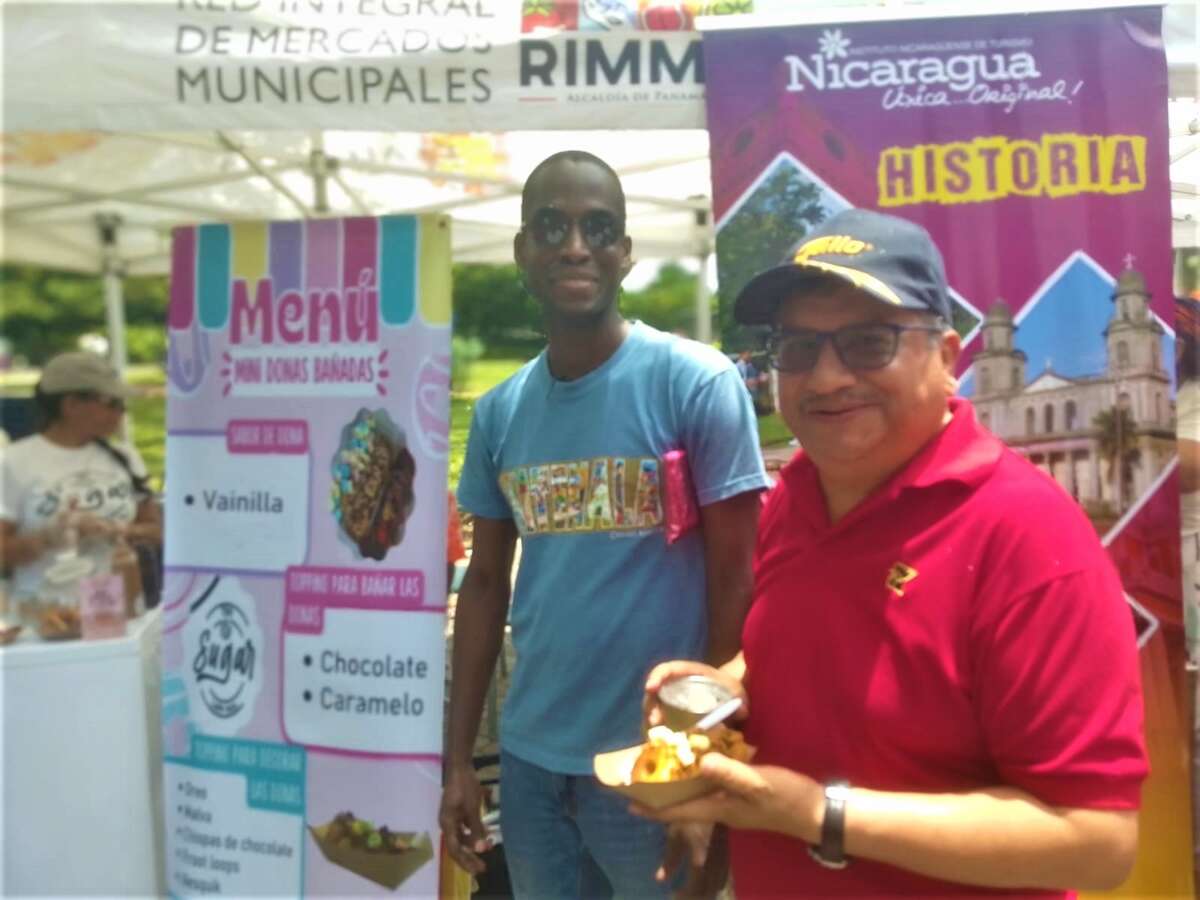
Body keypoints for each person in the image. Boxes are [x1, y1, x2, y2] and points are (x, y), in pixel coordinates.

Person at [640, 209, 1148, 897]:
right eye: (797, 348)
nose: (823, 379)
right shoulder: (795, 494)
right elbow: (802, 648)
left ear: (945, 358)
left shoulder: (1029, 539)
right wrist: (724, 693)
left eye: (867, 343)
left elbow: (1095, 840)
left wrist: (821, 815)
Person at [441, 150, 770, 898]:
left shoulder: (696, 383)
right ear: (523, 251)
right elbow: (486, 583)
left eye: (599, 228)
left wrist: (705, 759)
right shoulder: (501, 413)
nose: (575, 246)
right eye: (551, 227)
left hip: (656, 767)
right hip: (530, 766)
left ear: (626, 253)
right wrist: (459, 759)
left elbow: (736, 585)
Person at [0, 352, 162, 618]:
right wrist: (48, 538)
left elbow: (157, 533)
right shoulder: (14, 462)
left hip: (120, 612)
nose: (121, 411)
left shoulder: (124, 456)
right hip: (46, 618)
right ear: (71, 404)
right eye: (112, 402)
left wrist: (116, 529)